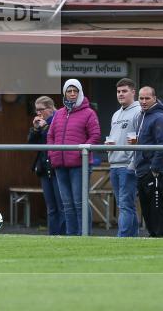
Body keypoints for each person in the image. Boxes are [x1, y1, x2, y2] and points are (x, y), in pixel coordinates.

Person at [47, 79, 100, 236]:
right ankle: (71, 236)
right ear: (64, 93)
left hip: (79, 165)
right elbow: (50, 135)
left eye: (74, 91)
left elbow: (95, 136)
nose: (71, 94)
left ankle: (84, 235)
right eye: (69, 91)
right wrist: (53, 153)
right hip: (60, 165)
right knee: (67, 204)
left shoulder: (89, 113)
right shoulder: (59, 114)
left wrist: (81, 152)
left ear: (80, 93)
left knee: (80, 203)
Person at [107, 78, 142, 237]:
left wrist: (133, 164)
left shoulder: (139, 111)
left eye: (124, 91)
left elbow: (140, 139)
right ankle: (132, 238)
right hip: (114, 164)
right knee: (125, 205)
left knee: (125, 205)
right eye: (118, 91)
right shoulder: (116, 114)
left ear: (133, 92)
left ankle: (123, 239)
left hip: (128, 165)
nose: (120, 94)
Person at [134, 86, 163, 237]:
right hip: (141, 169)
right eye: (141, 98)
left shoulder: (159, 117)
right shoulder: (142, 115)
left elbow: (162, 145)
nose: (143, 101)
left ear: (154, 98)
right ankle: (153, 236)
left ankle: (160, 237)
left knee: (156, 207)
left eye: (147, 98)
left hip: (153, 170)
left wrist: (154, 167)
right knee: (146, 207)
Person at [28, 95, 64, 236]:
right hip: (44, 168)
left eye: (40, 109)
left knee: (61, 205)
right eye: (36, 110)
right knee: (51, 207)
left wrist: (46, 127)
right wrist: (36, 129)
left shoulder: (58, 119)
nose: (38, 113)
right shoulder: (40, 122)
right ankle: (53, 235)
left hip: (57, 167)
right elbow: (31, 144)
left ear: (50, 108)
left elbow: (57, 139)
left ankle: (63, 235)